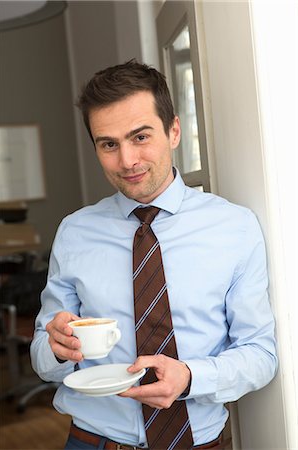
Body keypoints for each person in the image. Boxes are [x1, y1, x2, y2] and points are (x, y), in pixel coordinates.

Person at [30, 60, 277, 450]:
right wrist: (56, 348)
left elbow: (261, 354)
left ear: (174, 130)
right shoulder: (74, 232)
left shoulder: (235, 227)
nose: (127, 161)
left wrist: (191, 377)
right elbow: (43, 359)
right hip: (93, 442)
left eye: (140, 137)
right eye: (109, 144)